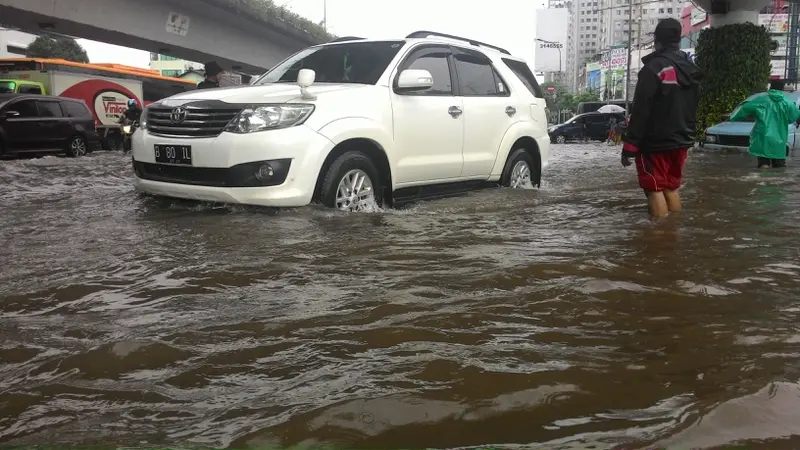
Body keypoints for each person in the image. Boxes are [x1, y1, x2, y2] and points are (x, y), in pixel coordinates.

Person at [621, 18, 703, 218]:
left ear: (657, 40)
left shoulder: (654, 68)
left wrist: (630, 147)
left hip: (655, 142)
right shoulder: (691, 68)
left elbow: (641, 110)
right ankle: (673, 233)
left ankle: (661, 238)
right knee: (671, 187)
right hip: (682, 139)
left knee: (654, 188)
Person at [729, 79, 800, 169]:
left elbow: (744, 108)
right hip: (779, 140)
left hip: (763, 138)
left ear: (770, 87)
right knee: (779, 167)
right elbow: (795, 117)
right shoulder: (788, 103)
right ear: (782, 89)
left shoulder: (761, 99)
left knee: (763, 166)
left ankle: (762, 181)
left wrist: (732, 117)